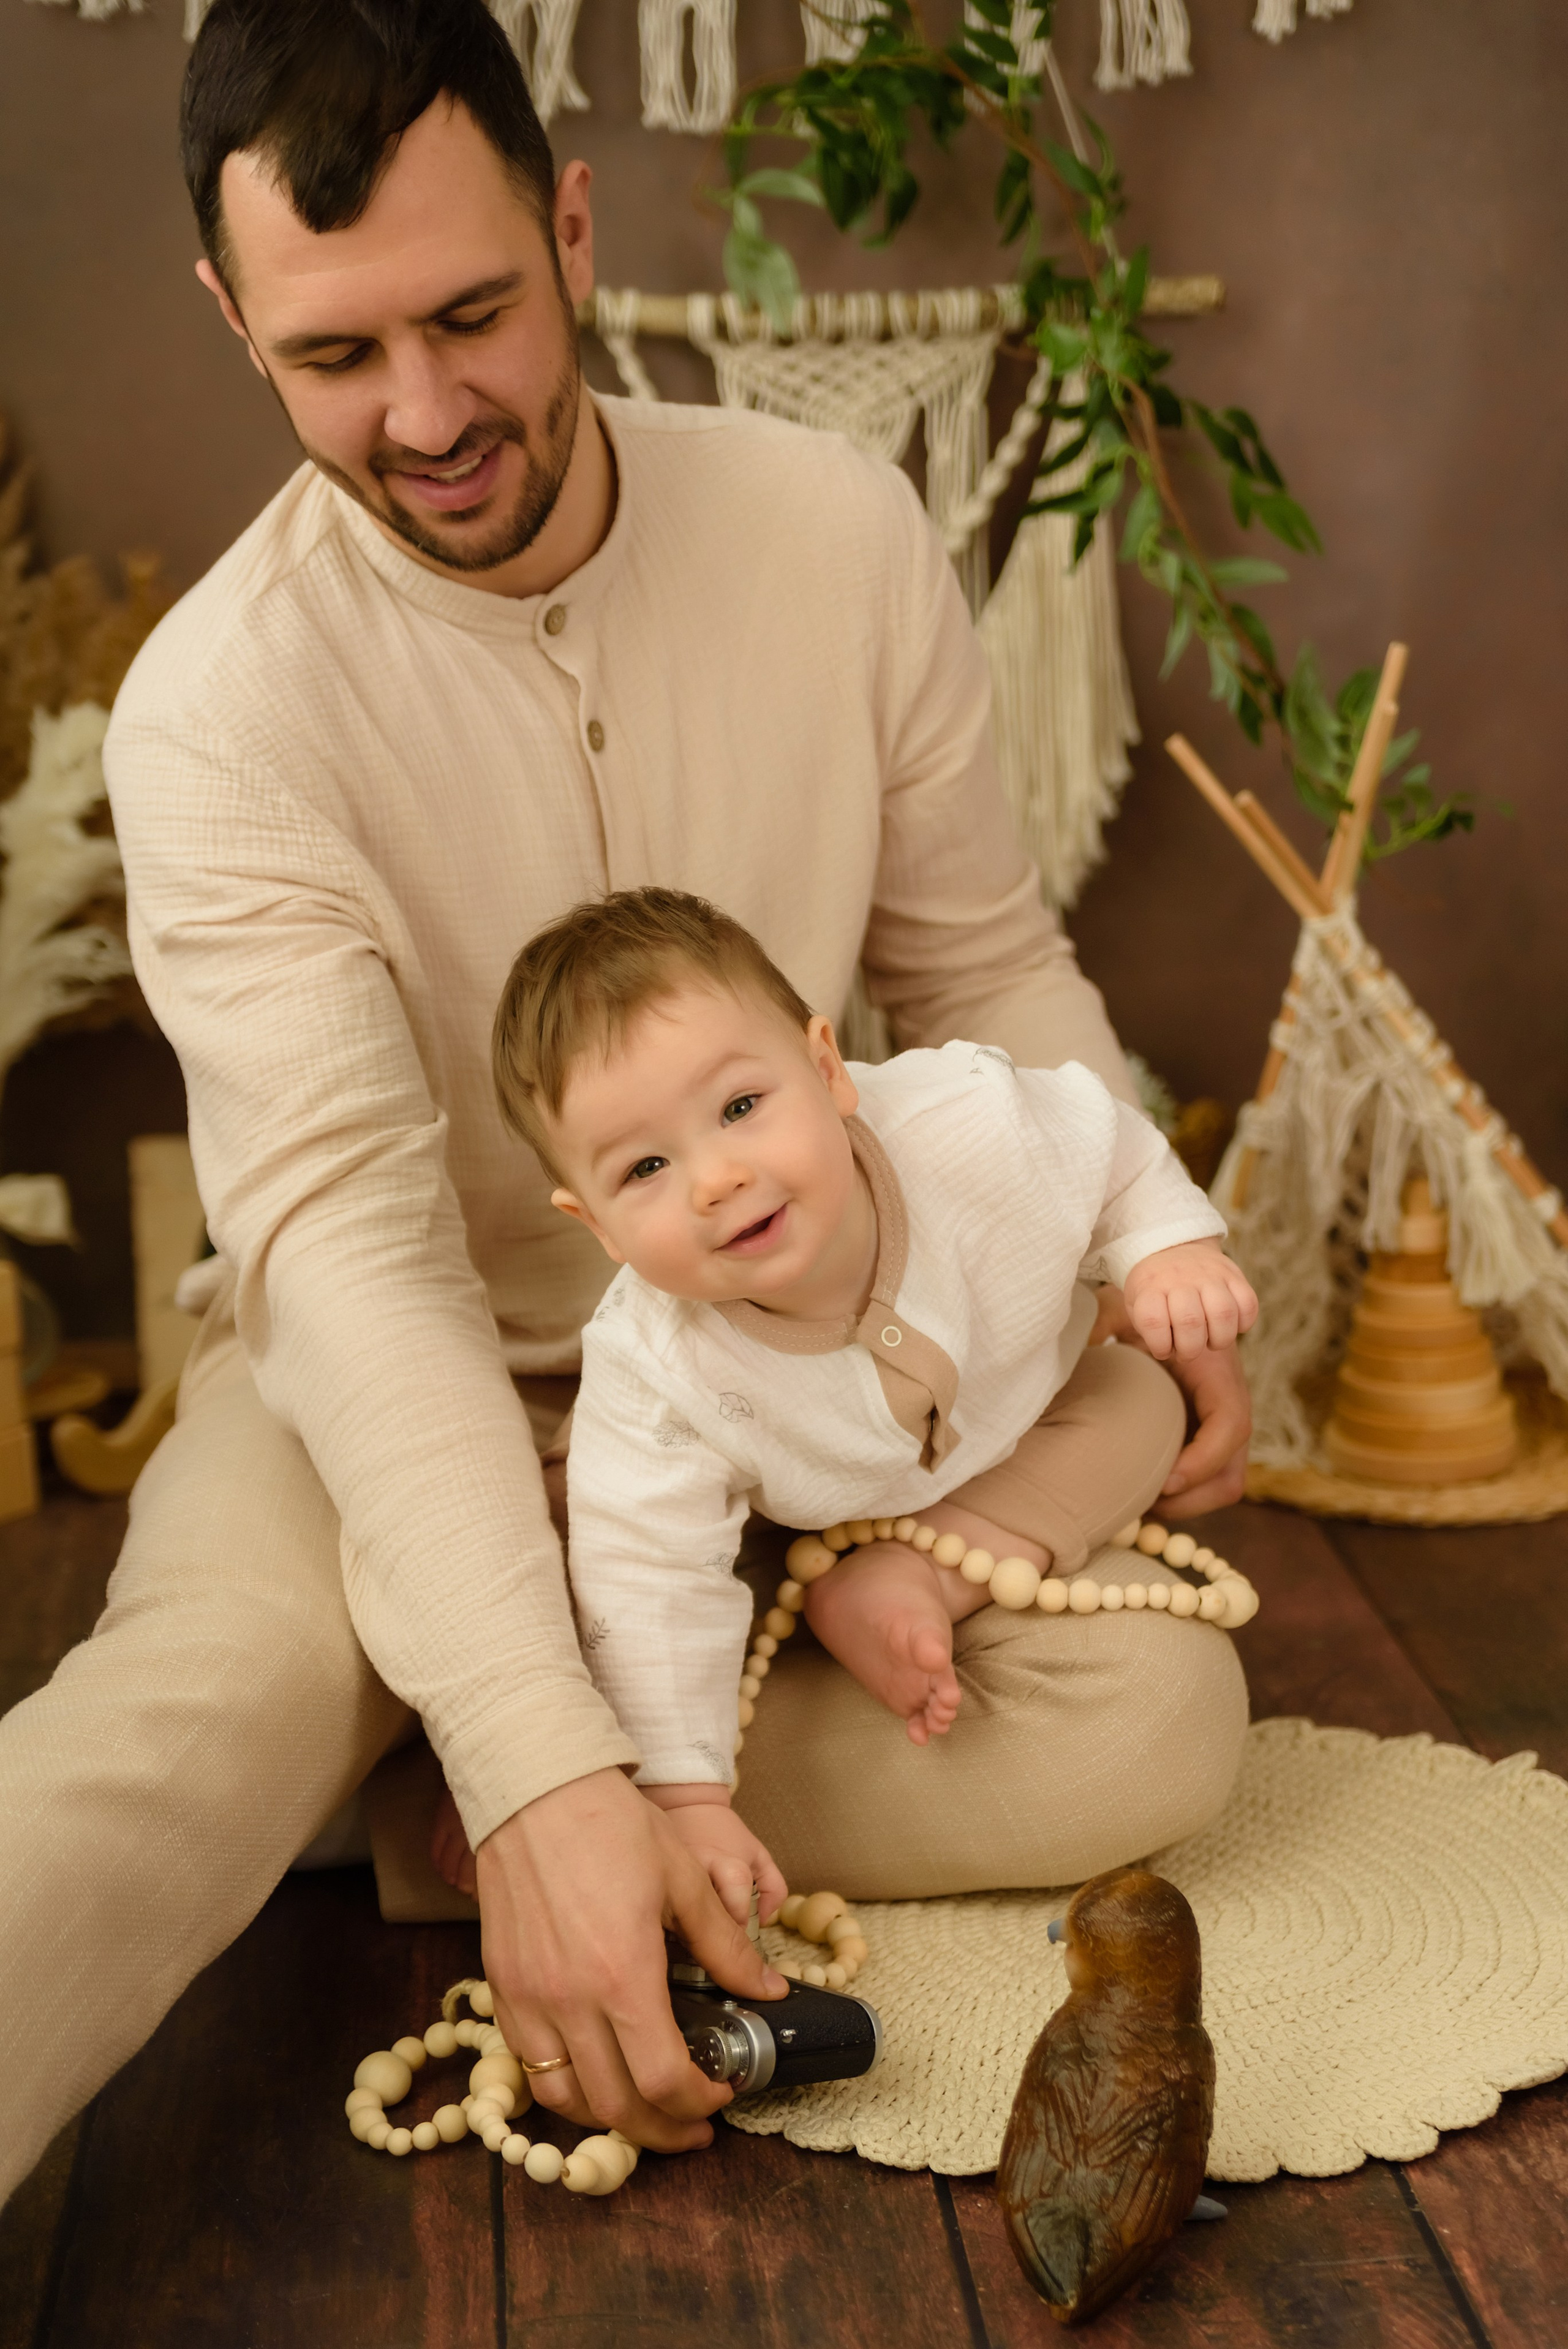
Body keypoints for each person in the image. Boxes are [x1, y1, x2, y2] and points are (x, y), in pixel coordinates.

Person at [0, 0, 1250, 2206]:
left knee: (1160, 1724)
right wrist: (542, 1739)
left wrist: (1140, 1256)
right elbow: (354, 1261)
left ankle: (427, 1809)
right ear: (232, 317)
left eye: (473, 315)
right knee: (195, 1717)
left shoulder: (835, 532)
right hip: (386, 1384)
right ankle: (465, 1764)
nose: (425, 414)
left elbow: (983, 973)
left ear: (572, 233)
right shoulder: (218, 711)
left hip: (801, 1372)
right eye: (334, 354)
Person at [477, 887, 1255, 1920]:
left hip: (1006, 1439)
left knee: (1140, 1399)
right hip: (768, 1518)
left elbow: (1109, 1148)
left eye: (740, 1107)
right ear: (600, 1227)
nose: (716, 1178)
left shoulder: (968, 1125)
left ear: (827, 1068)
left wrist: (1165, 1252)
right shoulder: (658, 1367)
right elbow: (649, 1578)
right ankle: (552, 1806)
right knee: (600, 1556)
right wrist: (689, 1798)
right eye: (647, 1167)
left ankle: (921, 1573)